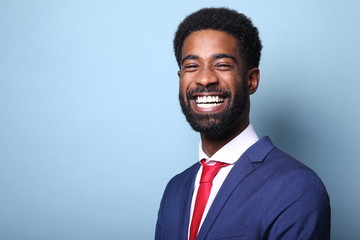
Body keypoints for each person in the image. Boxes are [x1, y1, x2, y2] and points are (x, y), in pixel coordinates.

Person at [155, 7, 330, 240]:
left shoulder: (296, 186)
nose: (205, 78)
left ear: (251, 80)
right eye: (192, 66)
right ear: (180, 79)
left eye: (222, 65)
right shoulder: (174, 190)